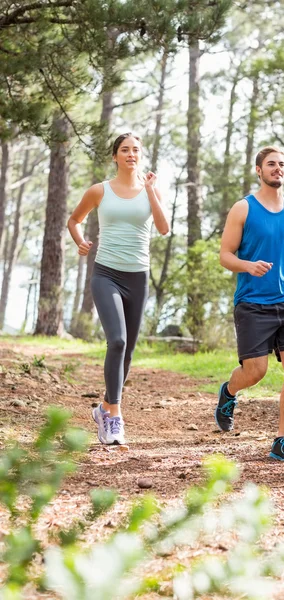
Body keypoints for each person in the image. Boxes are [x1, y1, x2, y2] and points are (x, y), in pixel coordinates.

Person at [68, 133, 169, 445]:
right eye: (125, 150)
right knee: (117, 340)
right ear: (115, 156)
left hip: (137, 278)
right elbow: (74, 220)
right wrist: (81, 242)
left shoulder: (150, 189)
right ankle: (115, 416)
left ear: (141, 155)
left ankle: (104, 409)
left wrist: (151, 190)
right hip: (106, 274)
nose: (131, 154)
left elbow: (164, 228)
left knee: (127, 351)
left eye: (136, 150)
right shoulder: (100, 190)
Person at [214, 146, 284, 462]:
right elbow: (225, 255)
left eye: (282, 164)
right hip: (253, 303)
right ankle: (229, 392)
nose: (277, 169)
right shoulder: (243, 209)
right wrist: (248, 266)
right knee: (255, 371)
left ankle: (281, 441)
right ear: (259, 170)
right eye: (271, 164)